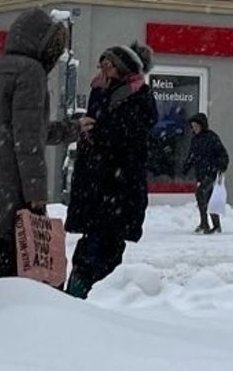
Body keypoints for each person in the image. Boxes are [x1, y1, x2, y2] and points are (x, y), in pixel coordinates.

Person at [0, 8, 74, 281]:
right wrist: (36, 193)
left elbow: (22, 129)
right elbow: (28, 138)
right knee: (22, 266)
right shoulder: (30, 72)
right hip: (18, 188)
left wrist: (69, 129)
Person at [63, 41, 156, 298]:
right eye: (101, 64)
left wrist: (97, 134)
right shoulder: (103, 91)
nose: (102, 70)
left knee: (103, 249)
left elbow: (124, 138)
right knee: (92, 247)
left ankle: (93, 301)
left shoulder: (138, 96)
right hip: (99, 189)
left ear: (122, 69)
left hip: (116, 190)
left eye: (108, 65)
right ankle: (80, 296)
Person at [186, 113, 229, 234]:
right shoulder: (195, 139)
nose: (193, 128)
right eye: (192, 126)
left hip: (211, 172)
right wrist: (186, 167)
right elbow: (192, 155)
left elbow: (222, 153)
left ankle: (204, 223)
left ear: (201, 125)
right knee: (210, 199)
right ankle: (216, 226)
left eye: (195, 126)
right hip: (201, 172)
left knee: (201, 194)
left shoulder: (211, 137)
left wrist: (221, 165)